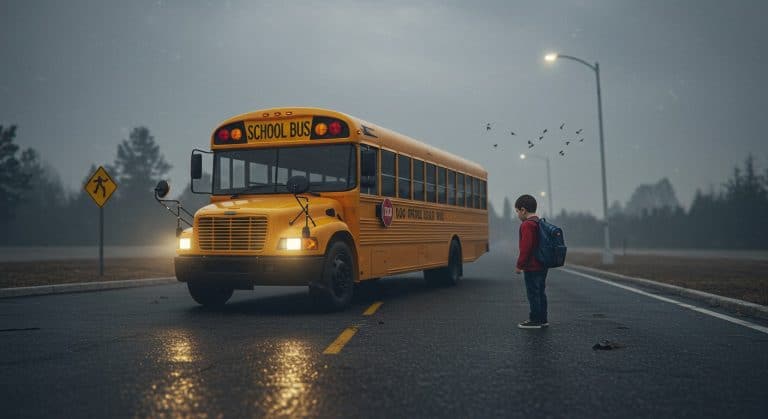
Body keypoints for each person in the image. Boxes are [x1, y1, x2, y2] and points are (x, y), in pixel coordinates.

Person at [514, 194, 549, 329]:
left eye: (517, 211)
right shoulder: (539, 222)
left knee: (533, 293)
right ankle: (543, 319)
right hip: (542, 264)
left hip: (532, 266)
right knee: (540, 292)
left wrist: (519, 265)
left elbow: (526, 247)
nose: (517, 215)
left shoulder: (527, 225)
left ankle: (535, 320)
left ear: (523, 210)